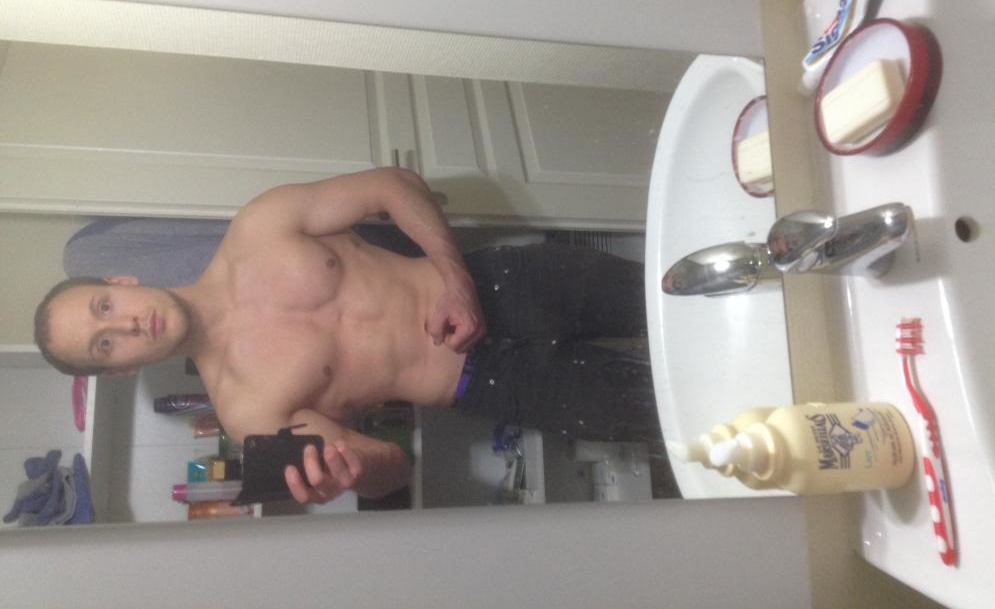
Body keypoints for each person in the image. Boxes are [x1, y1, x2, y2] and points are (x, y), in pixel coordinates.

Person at [33, 168, 659, 505]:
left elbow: (392, 185)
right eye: (105, 344)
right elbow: (395, 470)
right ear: (120, 371)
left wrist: (454, 279)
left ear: (120, 281)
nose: (126, 323)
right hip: (495, 385)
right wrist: (353, 473)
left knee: (673, 293)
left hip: (502, 284)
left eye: (104, 306)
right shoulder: (248, 412)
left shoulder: (258, 227)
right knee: (672, 408)